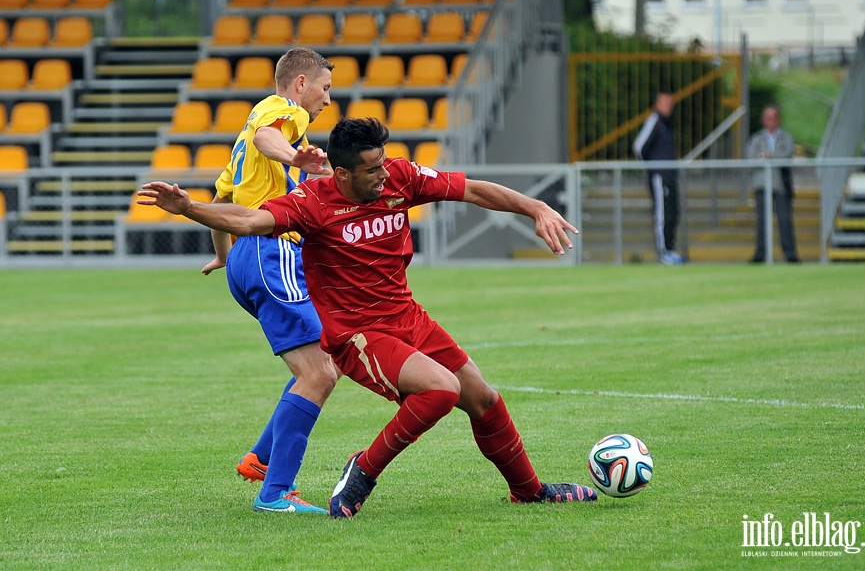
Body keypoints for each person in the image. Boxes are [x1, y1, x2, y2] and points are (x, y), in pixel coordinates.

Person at [138, 117, 598, 518]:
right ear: (341, 173)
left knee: (483, 398)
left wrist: (535, 206)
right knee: (441, 389)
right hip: (357, 334)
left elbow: (473, 189)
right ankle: (363, 469)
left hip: (407, 315)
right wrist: (191, 209)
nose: (383, 175)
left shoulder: (400, 176)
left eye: (383, 163)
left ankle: (530, 492)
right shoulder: (312, 202)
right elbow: (249, 221)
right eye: (371, 170)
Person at [200, 46, 338, 514]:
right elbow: (269, 139)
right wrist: (297, 159)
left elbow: (221, 208)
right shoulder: (282, 111)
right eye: (324, 88)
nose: (326, 100)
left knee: (316, 366)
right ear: (300, 84)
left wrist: (223, 259)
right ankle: (275, 493)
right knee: (320, 373)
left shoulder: (238, 148)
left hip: (246, 257)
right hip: (272, 250)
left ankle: (261, 460)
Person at [633, 91, 683, 265]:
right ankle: (664, 252)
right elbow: (639, 147)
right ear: (657, 104)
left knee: (673, 212)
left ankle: (670, 249)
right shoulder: (654, 121)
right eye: (665, 102)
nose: (668, 105)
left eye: (671, 102)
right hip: (659, 177)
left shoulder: (668, 124)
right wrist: (653, 168)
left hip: (670, 176)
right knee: (662, 214)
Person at [746, 104, 800, 263]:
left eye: (774, 117)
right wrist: (772, 158)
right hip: (762, 185)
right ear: (763, 120)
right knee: (762, 221)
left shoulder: (786, 138)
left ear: (779, 120)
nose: (771, 121)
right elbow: (752, 159)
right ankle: (760, 253)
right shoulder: (757, 139)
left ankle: (790, 253)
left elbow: (786, 156)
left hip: (780, 185)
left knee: (784, 220)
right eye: (768, 118)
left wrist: (768, 158)